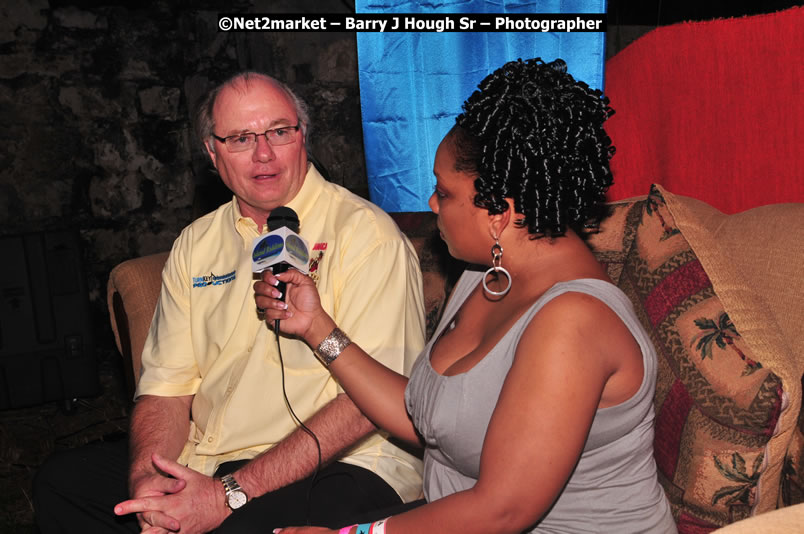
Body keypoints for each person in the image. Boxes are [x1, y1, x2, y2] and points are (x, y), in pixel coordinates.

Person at [255, 58, 678, 533]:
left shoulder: (573, 321)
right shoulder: (487, 274)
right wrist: (317, 328)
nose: (432, 204)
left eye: (445, 192)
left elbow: (502, 510)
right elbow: (433, 420)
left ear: (499, 214)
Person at [33, 72, 426, 533]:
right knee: (63, 483)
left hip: (345, 460)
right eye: (240, 138)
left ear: (303, 136)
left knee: (234, 527)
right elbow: (165, 390)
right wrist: (148, 482)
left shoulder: (366, 234)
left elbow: (366, 408)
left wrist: (228, 494)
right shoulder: (196, 243)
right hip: (211, 459)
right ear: (211, 152)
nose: (264, 154)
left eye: (279, 132)